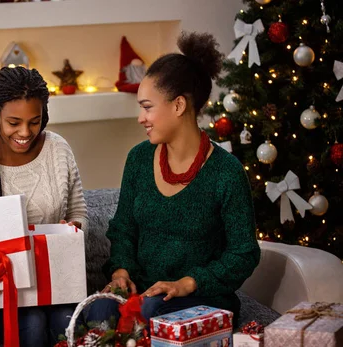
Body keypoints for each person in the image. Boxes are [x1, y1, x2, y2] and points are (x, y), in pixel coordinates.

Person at [87, 32, 260, 327]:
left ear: (178, 106)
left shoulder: (226, 172)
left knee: (151, 314)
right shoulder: (139, 159)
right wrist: (121, 273)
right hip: (143, 293)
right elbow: (124, 229)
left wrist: (188, 283)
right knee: (97, 313)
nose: (141, 117)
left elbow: (243, 252)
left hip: (201, 297)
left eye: (147, 106)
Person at [0, 66, 88, 346]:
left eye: (34, 121)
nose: (25, 132)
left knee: (67, 321)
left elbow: (78, 211)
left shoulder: (57, 149)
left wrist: (74, 229)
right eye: (13, 123)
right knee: (32, 323)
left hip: (57, 281)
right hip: (3, 292)